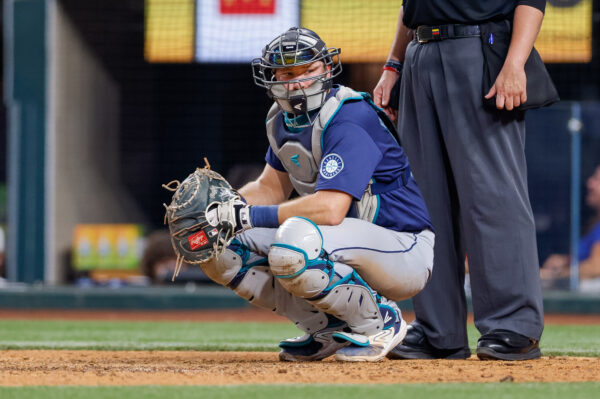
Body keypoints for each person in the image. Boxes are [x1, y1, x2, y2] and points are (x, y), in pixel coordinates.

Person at [200, 27, 434, 362]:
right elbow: (269, 187)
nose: (298, 82)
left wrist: (246, 216)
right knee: (219, 245)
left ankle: (379, 320)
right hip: (341, 241)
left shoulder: (348, 115)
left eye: (308, 70)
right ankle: (325, 326)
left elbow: (331, 209)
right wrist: (223, 210)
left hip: (402, 246)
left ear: (326, 68)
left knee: (294, 242)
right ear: (273, 78)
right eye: (288, 73)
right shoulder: (282, 120)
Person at [373, 1, 547, 361]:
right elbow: (411, 5)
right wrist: (394, 63)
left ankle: (513, 325)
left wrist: (515, 62)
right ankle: (439, 330)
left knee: (493, 198)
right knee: (426, 203)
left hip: (479, 50)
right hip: (419, 54)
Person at [541, 166, 600, 287]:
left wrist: (553, 276)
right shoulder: (595, 224)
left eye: (597, 179)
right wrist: (565, 261)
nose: (590, 182)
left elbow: (596, 267)